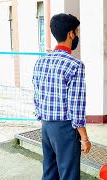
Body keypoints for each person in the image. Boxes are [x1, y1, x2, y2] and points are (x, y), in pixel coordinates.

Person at [32, 13, 91, 180]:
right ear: (70, 34)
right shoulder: (75, 65)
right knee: (69, 175)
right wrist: (85, 138)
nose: (77, 35)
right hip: (65, 129)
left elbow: (36, 94)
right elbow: (76, 107)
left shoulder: (41, 61)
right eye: (76, 31)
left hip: (46, 126)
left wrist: (42, 117)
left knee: (49, 172)